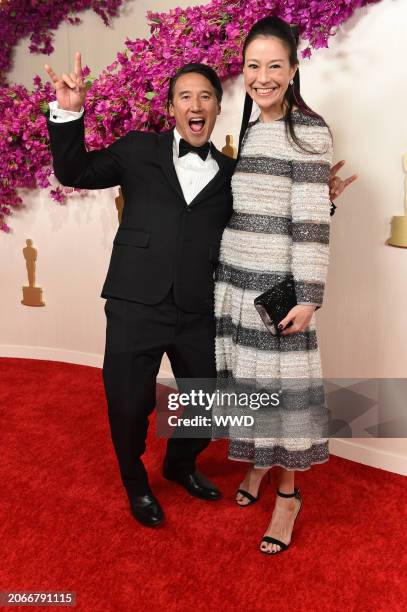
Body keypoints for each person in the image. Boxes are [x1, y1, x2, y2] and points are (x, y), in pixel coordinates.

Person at [44, 52, 352, 529]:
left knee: (210, 401)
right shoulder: (137, 149)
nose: (196, 104)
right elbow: (75, 172)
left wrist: (319, 205)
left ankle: (179, 464)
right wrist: (68, 112)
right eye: (186, 95)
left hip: (198, 306)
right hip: (134, 301)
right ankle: (135, 482)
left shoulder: (233, 173)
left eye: (206, 96)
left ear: (217, 107)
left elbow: (258, 226)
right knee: (127, 404)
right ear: (172, 108)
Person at [214, 15, 342, 555]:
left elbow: (310, 225)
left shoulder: (310, 130)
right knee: (254, 387)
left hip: (277, 293)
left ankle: (288, 496)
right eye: (251, 66)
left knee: (286, 396)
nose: (261, 76)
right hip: (236, 285)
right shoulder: (251, 126)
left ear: (293, 70)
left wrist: (309, 297)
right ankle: (261, 464)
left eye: (274, 66)